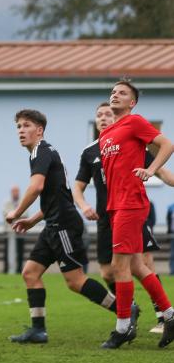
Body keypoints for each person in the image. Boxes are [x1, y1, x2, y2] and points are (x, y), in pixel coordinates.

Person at [5, 109, 130, 346]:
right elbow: (57, 196)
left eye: (26, 126)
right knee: (30, 274)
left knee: (75, 281)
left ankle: (125, 311)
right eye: (18, 126)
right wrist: (33, 220)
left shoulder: (41, 151)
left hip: (63, 225)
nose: (21, 130)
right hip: (53, 223)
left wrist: (17, 212)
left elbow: (36, 187)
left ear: (39, 130)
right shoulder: (42, 152)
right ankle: (38, 330)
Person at [73, 101, 174, 336]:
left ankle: (160, 316)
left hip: (130, 209)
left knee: (143, 262)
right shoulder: (90, 152)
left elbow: (161, 171)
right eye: (98, 114)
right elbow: (77, 187)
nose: (103, 118)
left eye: (108, 113)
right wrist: (84, 206)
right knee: (108, 272)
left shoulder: (128, 142)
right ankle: (130, 310)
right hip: (106, 215)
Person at [96, 81, 174, 348]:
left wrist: (151, 170)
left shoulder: (135, 122)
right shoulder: (106, 135)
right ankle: (170, 315)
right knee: (137, 266)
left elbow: (166, 145)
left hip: (131, 203)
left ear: (132, 103)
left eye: (123, 93)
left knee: (119, 266)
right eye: (113, 92)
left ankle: (123, 328)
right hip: (116, 205)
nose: (115, 95)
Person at [2, 186, 28, 274]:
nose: (15, 193)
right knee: (7, 252)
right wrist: (17, 215)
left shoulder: (23, 202)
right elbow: (6, 214)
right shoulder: (7, 203)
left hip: (20, 231)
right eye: (13, 191)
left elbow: (25, 214)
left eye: (16, 191)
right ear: (11, 193)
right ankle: (6, 270)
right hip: (9, 232)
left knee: (20, 252)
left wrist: (14, 215)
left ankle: (19, 269)